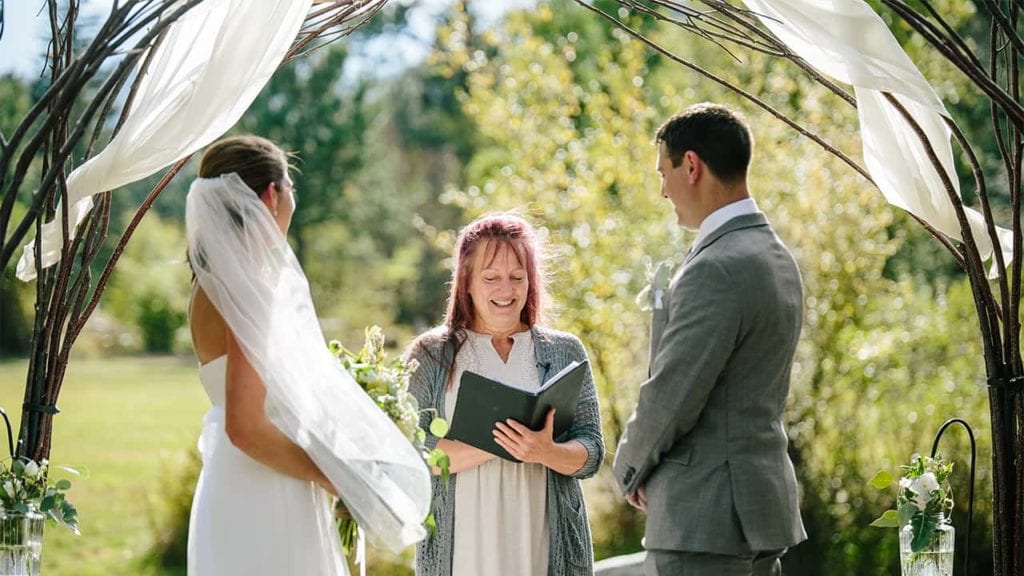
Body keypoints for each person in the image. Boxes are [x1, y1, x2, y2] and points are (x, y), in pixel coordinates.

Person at [185, 135, 431, 575]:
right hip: (267, 489)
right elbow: (247, 427)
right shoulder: (248, 292)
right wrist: (335, 477)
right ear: (270, 195)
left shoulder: (207, 286)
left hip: (238, 480)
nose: (292, 200)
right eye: (291, 188)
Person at [613, 103, 807, 575]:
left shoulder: (716, 268)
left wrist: (629, 469)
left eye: (664, 172)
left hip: (706, 519)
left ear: (692, 166)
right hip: (758, 509)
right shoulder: (776, 257)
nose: (662, 191)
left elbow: (673, 393)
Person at [407, 213, 604, 576]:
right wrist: (503, 441)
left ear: (531, 281)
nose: (506, 290)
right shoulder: (431, 354)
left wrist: (547, 451)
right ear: (466, 282)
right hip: (464, 553)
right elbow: (414, 459)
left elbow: (592, 452)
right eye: (491, 278)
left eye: (517, 277)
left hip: (540, 548)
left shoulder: (564, 352)